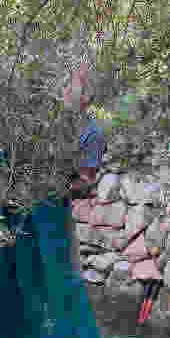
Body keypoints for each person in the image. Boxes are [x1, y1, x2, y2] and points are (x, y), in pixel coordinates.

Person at [62, 63, 106, 275]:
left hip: (55, 212)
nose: (66, 90)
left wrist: (55, 187)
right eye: (67, 84)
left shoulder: (92, 134)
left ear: (86, 98)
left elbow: (86, 181)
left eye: (72, 85)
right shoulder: (53, 124)